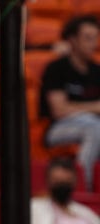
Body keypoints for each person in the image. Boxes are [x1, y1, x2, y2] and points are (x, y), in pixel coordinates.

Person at [39, 15, 100, 192]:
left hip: (93, 124)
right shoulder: (57, 69)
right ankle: (82, 186)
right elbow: (59, 110)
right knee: (95, 128)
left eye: (95, 38)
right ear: (72, 40)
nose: (93, 43)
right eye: (87, 38)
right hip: (58, 129)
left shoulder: (97, 71)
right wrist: (94, 107)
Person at [31, 157, 100, 224]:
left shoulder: (85, 211)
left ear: (74, 182)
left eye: (67, 181)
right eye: (57, 181)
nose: (62, 185)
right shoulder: (34, 208)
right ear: (48, 181)